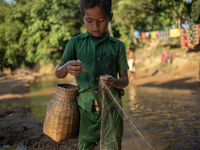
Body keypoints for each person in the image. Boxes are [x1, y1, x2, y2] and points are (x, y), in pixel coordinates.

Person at [55, 0, 129, 149]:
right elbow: (58, 72)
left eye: (101, 20)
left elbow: (125, 80)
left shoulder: (118, 45)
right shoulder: (75, 43)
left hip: (112, 110)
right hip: (84, 110)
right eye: (89, 21)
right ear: (82, 17)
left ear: (110, 17)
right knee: (85, 146)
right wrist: (67, 67)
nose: (95, 26)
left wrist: (113, 81)